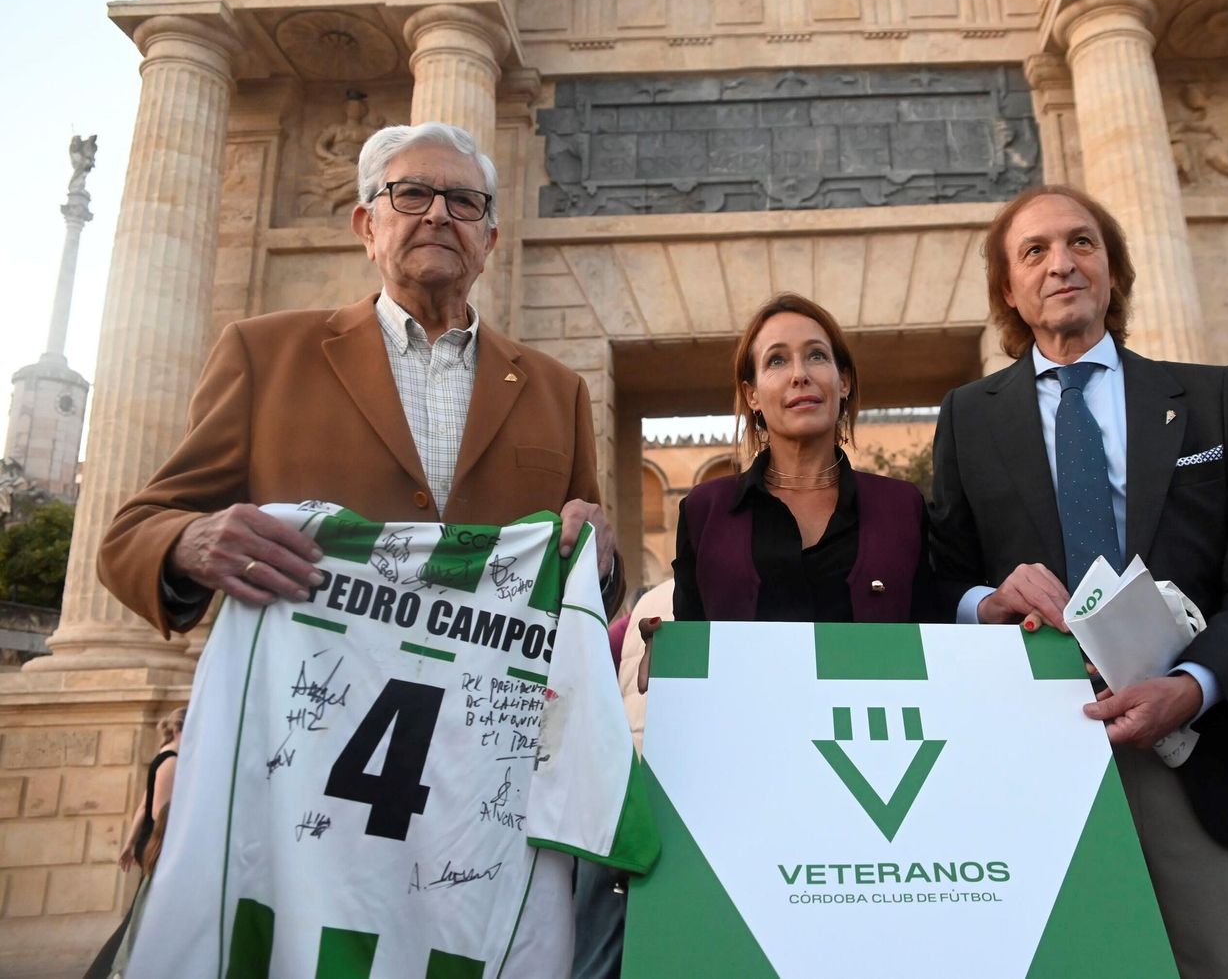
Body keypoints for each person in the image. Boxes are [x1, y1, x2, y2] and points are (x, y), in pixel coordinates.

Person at [928, 184, 1228, 977]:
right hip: (1037, 761)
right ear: (1009, 288)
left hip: (1205, 758)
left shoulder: (1209, 399)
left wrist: (1196, 684)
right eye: (1034, 251)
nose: (1061, 263)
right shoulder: (968, 417)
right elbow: (943, 577)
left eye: (1082, 243)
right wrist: (987, 603)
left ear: (1112, 268)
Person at [98, 121, 623, 635]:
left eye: (464, 202)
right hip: (313, 706)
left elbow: (587, 576)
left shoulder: (558, 392)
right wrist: (190, 540)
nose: (439, 214)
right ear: (367, 227)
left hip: (488, 713)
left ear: (488, 242)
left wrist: (601, 559)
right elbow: (132, 536)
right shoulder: (264, 357)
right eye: (412, 194)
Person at [672, 293, 945, 625]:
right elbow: (691, 646)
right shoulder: (705, 511)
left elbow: (932, 643)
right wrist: (663, 658)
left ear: (843, 382)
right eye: (776, 360)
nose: (799, 375)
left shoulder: (903, 508)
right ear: (752, 395)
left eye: (816, 355)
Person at [83, 706, 185, 979]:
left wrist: (129, 844)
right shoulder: (172, 760)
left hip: (149, 842)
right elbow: (157, 812)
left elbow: (142, 807)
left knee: (140, 913)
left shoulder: (162, 756)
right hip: (159, 842)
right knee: (142, 915)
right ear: (179, 730)